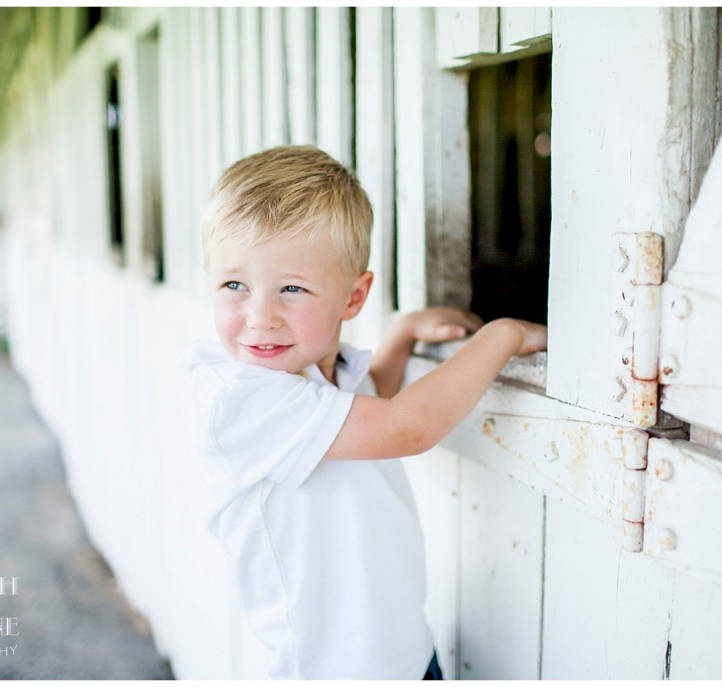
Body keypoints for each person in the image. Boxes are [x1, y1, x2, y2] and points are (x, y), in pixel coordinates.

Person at [183, 145, 547, 679]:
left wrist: (399, 336)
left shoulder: (310, 374)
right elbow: (405, 426)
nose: (260, 317)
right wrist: (503, 334)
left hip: (400, 650)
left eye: (292, 289)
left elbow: (370, 407)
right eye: (234, 285)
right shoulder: (241, 398)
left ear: (353, 298)